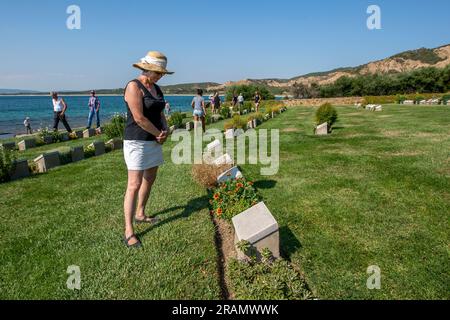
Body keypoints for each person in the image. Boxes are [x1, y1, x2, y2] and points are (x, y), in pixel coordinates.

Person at [122, 51, 173, 248]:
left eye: (161, 73)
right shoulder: (134, 86)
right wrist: (158, 134)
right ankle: (128, 231)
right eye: (157, 72)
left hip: (154, 140)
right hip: (137, 141)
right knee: (134, 184)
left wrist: (165, 129)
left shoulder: (157, 88)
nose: (160, 76)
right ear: (147, 69)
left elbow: (160, 112)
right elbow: (139, 118)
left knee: (150, 178)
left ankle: (140, 213)